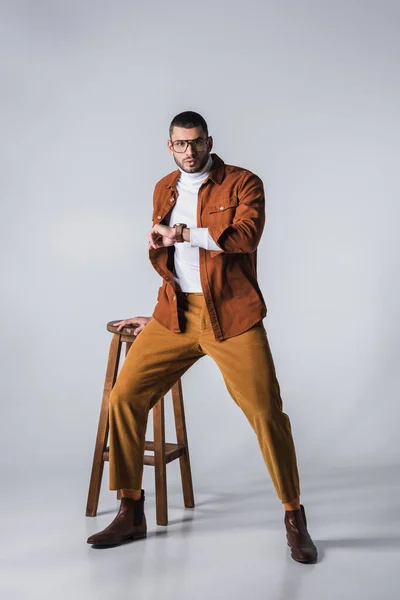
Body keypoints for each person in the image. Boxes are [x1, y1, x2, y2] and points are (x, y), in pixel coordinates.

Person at [87, 111, 318, 563]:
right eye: (179, 144)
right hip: (175, 315)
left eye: (195, 143)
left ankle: (294, 516)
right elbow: (169, 256)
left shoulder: (243, 183)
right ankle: (131, 509)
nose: (188, 152)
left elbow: (245, 237)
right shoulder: (164, 188)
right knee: (124, 397)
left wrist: (183, 233)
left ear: (209, 141)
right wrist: (156, 312)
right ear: (169, 145)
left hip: (231, 318)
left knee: (266, 412)